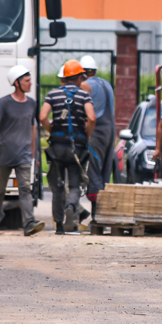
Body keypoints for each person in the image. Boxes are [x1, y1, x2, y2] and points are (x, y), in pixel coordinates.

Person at [40, 59, 95, 234]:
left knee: (57, 186)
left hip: (57, 146)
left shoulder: (52, 94)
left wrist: (52, 130)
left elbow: (42, 116)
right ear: (79, 78)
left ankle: (59, 226)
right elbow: (92, 118)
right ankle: (71, 207)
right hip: (76, 148)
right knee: (74, 184)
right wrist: (86, 134)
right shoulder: (84, 95)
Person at [0, 65, 43, 236]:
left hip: (24, 153)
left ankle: (29, 223)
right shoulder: (3, 103)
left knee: (25, 188)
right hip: (5, 152)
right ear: (17, 83)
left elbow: (33, 127)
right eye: (27, 81)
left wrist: (34, 148)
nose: (30, 83)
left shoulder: (32, 104)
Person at [79, 55, 115, 224]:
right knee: (105, 171)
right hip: (111, 130)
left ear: (83, 73)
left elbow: (86, 113)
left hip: (98, 130)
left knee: (94, 170)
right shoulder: (106, 83)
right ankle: (104, 215)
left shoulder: (85, 85)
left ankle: (97, 216)